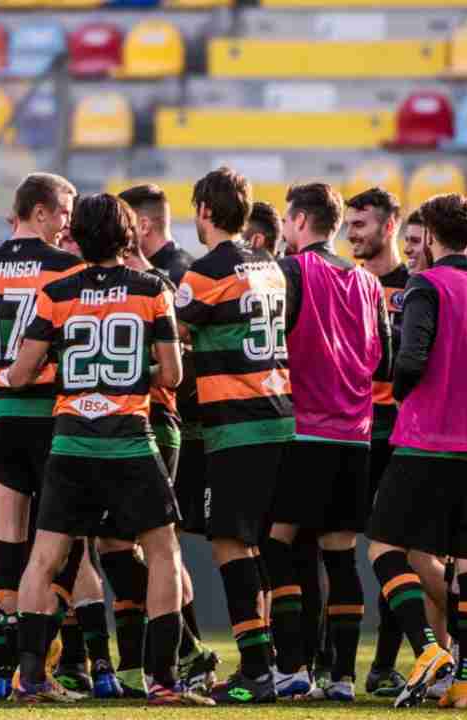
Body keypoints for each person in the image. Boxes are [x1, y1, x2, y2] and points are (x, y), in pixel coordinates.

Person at [0, 193, 208, 706]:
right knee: (163, 552)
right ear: (127, 234)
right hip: (131, 440)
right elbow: (174, 375)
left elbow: (23, 372)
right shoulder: (151, 289)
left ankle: (30, 678)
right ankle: (162, 681)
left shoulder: (56, 290)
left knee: (45, 556)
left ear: (79, 236)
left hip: (71, 441)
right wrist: (131, 376)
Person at [366, 193, 467, 709]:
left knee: (385, 547)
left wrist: (408, 391)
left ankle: (429, 647)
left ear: (430, 238)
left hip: (424, 442)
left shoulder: (424, 286)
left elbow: (410, 357)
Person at [0, 173, 91, 698]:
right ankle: (40, 663)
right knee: (61, 546)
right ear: (40, 212)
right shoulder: (67, 268)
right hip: (51, 416)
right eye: (64, 212)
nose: (68, 224)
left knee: (5, 546)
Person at [261, 183, 389, 702]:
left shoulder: (291, 272)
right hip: (355, 436)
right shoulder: (367, 282)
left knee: (277, 547)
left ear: (297, 221)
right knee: (340, 556)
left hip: (304, 429)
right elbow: (382, 360)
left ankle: (292, 667)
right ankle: (341, 677)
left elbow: (271, 343)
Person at [176, 167, 294, 705]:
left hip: (236, 423)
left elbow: (168, 331)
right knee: (265, 542)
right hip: (279, 415)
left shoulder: (204, 272)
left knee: (230, 541)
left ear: (204, 210)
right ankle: (282, 664)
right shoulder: (270, 266)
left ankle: (256, 669)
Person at [118, 184, 220, 694]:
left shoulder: (178, 275)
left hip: (167, 421)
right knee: (142, 543)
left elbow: (185, 363)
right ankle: (182, 650)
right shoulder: (157, 272)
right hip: (151, 421)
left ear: (143, 226)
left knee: (159, 544)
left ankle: (188, 650)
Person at [341, 187, 410, 697]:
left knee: (396, 550)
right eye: (348, 223)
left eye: (361, 224)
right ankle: (329, 665)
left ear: (390, 226)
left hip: (399, 434)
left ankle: (384, 665)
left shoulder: (419, 286)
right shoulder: (345, 283)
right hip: (349, 432)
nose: (351, 233)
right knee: (333, 547)